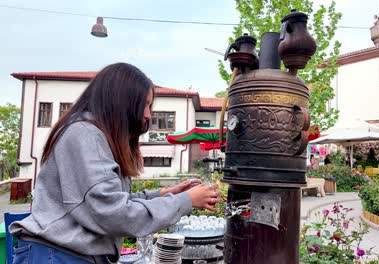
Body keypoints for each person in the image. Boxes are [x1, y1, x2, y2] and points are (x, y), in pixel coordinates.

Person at [9, 63, 221, 264]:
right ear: (121, 102)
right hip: (57, 255)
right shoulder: (83, 135)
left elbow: (116, 200)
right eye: (144, 105)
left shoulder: (94, 136)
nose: (148, 114)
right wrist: (184, 201)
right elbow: (112, 213)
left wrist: (165, 194)